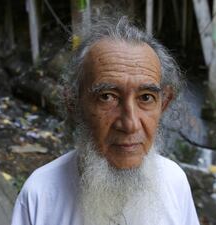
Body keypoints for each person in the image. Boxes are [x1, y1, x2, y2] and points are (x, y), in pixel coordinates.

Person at [11, 16, 200, 225]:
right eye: (107, 97)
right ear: (73, 104)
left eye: (146, 97)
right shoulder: (39, 195)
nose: (130, 124)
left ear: (164, 104)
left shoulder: (175, 182)